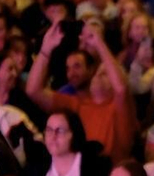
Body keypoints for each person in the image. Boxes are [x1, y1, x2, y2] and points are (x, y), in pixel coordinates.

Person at [27, 19, 136, 163]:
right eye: (98, 73)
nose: (98, 76)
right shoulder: (76, 105)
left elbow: (121, 88)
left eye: (105, 74)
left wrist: (99, 44)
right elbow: (33, 90)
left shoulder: (119, 109)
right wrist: (45, 50)